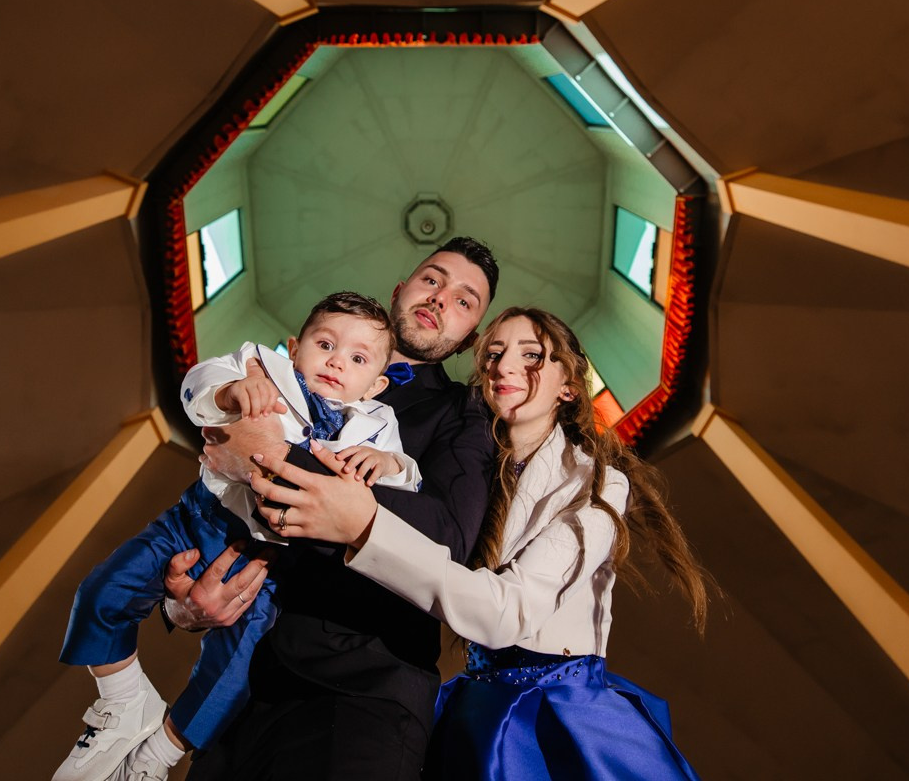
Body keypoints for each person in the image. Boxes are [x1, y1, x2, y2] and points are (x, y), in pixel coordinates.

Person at [250, 306, 712, 780]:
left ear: (570, 386)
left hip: (560, 713)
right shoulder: (470, 478)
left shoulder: (599, 484)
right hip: (478, 708)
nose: (504, 366)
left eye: (531, 355)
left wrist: (365, 527)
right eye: (493, 354)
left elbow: (507, 612)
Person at [116, 237, 499, 781]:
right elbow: (221, 501)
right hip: (240, 690)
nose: (440, 297)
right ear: (400, 290)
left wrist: (271, 455)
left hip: (362, 691)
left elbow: (446, 539)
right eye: (432, 279)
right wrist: (184, 605)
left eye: (464, 300)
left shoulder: (465, 412)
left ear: (471, 337)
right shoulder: (282, 376)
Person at [53, 291, 418, 781]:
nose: (336, 362)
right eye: (325, 344)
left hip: (267, 563)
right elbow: (199, 379)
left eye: (357, 358)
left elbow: (409, 482)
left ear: (376, 384)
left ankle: (157, 757)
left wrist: (388, 463)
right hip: (196, 520)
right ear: (294, 347)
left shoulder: (378, 425)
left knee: (231, 676)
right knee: (102, 590)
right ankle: (122, 698)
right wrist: (229, 393)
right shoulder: (260, 366)